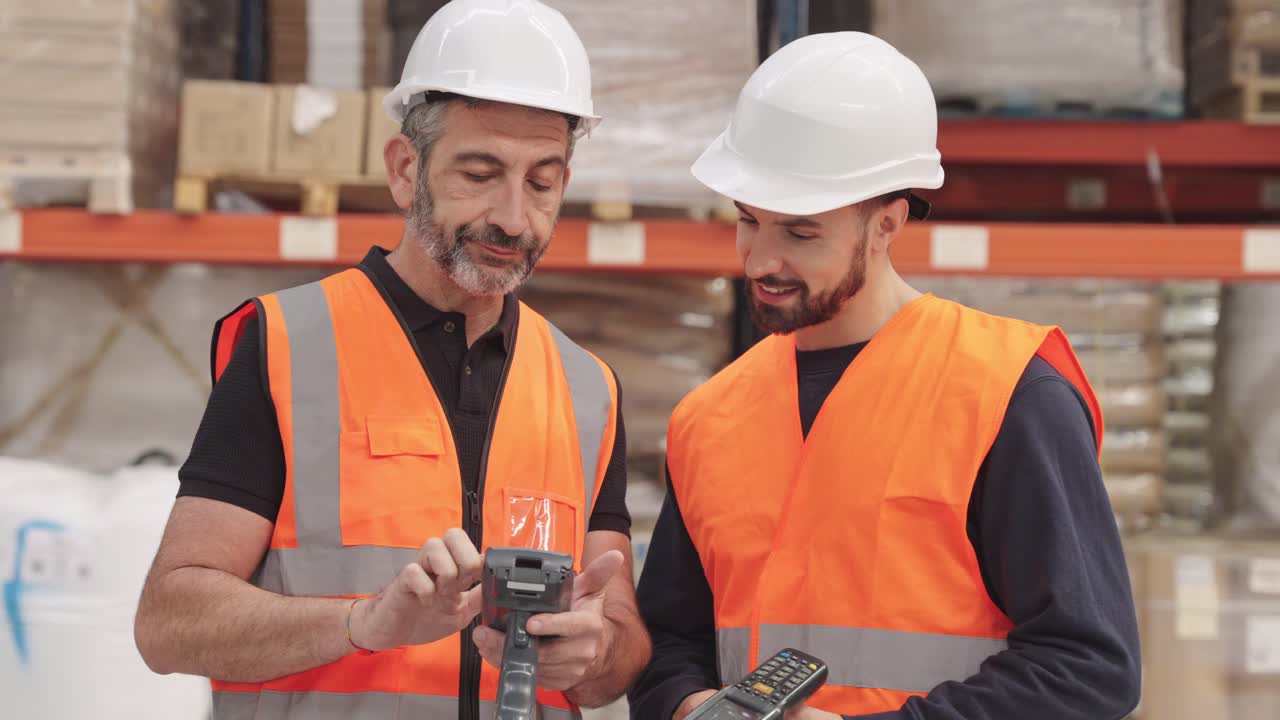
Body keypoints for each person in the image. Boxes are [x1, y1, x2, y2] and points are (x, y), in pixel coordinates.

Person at [133, 1, 651, 718]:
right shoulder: (288, 344)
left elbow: (615, 650)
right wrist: (360, 625)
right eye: (480, 172)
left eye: (541, 181)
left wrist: (596, 650)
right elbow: (168, 623)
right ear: (406, 169)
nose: (512, 217)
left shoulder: (586, 389)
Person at [628, 32, 1141, 720]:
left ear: (887, 223)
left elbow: (1088, 666)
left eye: (800, 232)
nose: (759, 260)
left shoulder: (1009, 393)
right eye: (749, 222)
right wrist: (692, 707)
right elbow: (670, 643)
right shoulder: (709, 417)